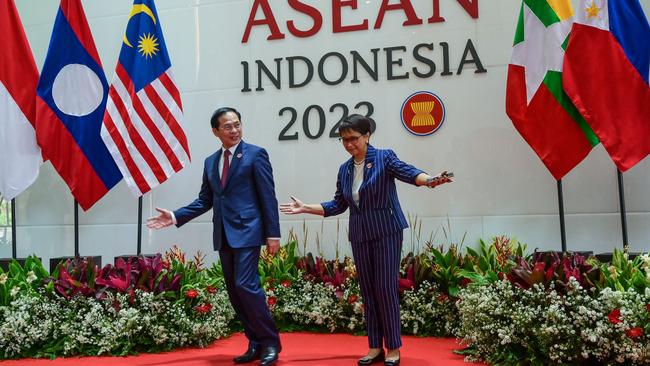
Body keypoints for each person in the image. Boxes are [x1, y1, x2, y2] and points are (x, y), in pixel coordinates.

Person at [280, 114, 452, 366]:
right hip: (360, 234)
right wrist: (305, 207)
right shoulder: (345, 169)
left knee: (385, 288)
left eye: (353, 138)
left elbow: (410, 173)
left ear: (367, 135)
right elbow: (338, 204)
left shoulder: (384, 157)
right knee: (368, 291)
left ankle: (393, 347)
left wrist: (429, 180)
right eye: (344, 140)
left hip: (386, 231)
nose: (349, 144)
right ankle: (374, 347)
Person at [147, 107, 282, 366]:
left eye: (237, 125)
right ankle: (254, 342)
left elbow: (268, 196)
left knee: (246, 285)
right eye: (228, 127)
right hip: (223, 234)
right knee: (235, 292)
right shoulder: (211, 161)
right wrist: (175, 216)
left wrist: (272, 234)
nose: (234, 130)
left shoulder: (255, 155)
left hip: (248, 232)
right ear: (215, 131)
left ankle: (271, 343)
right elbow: (204, 200)